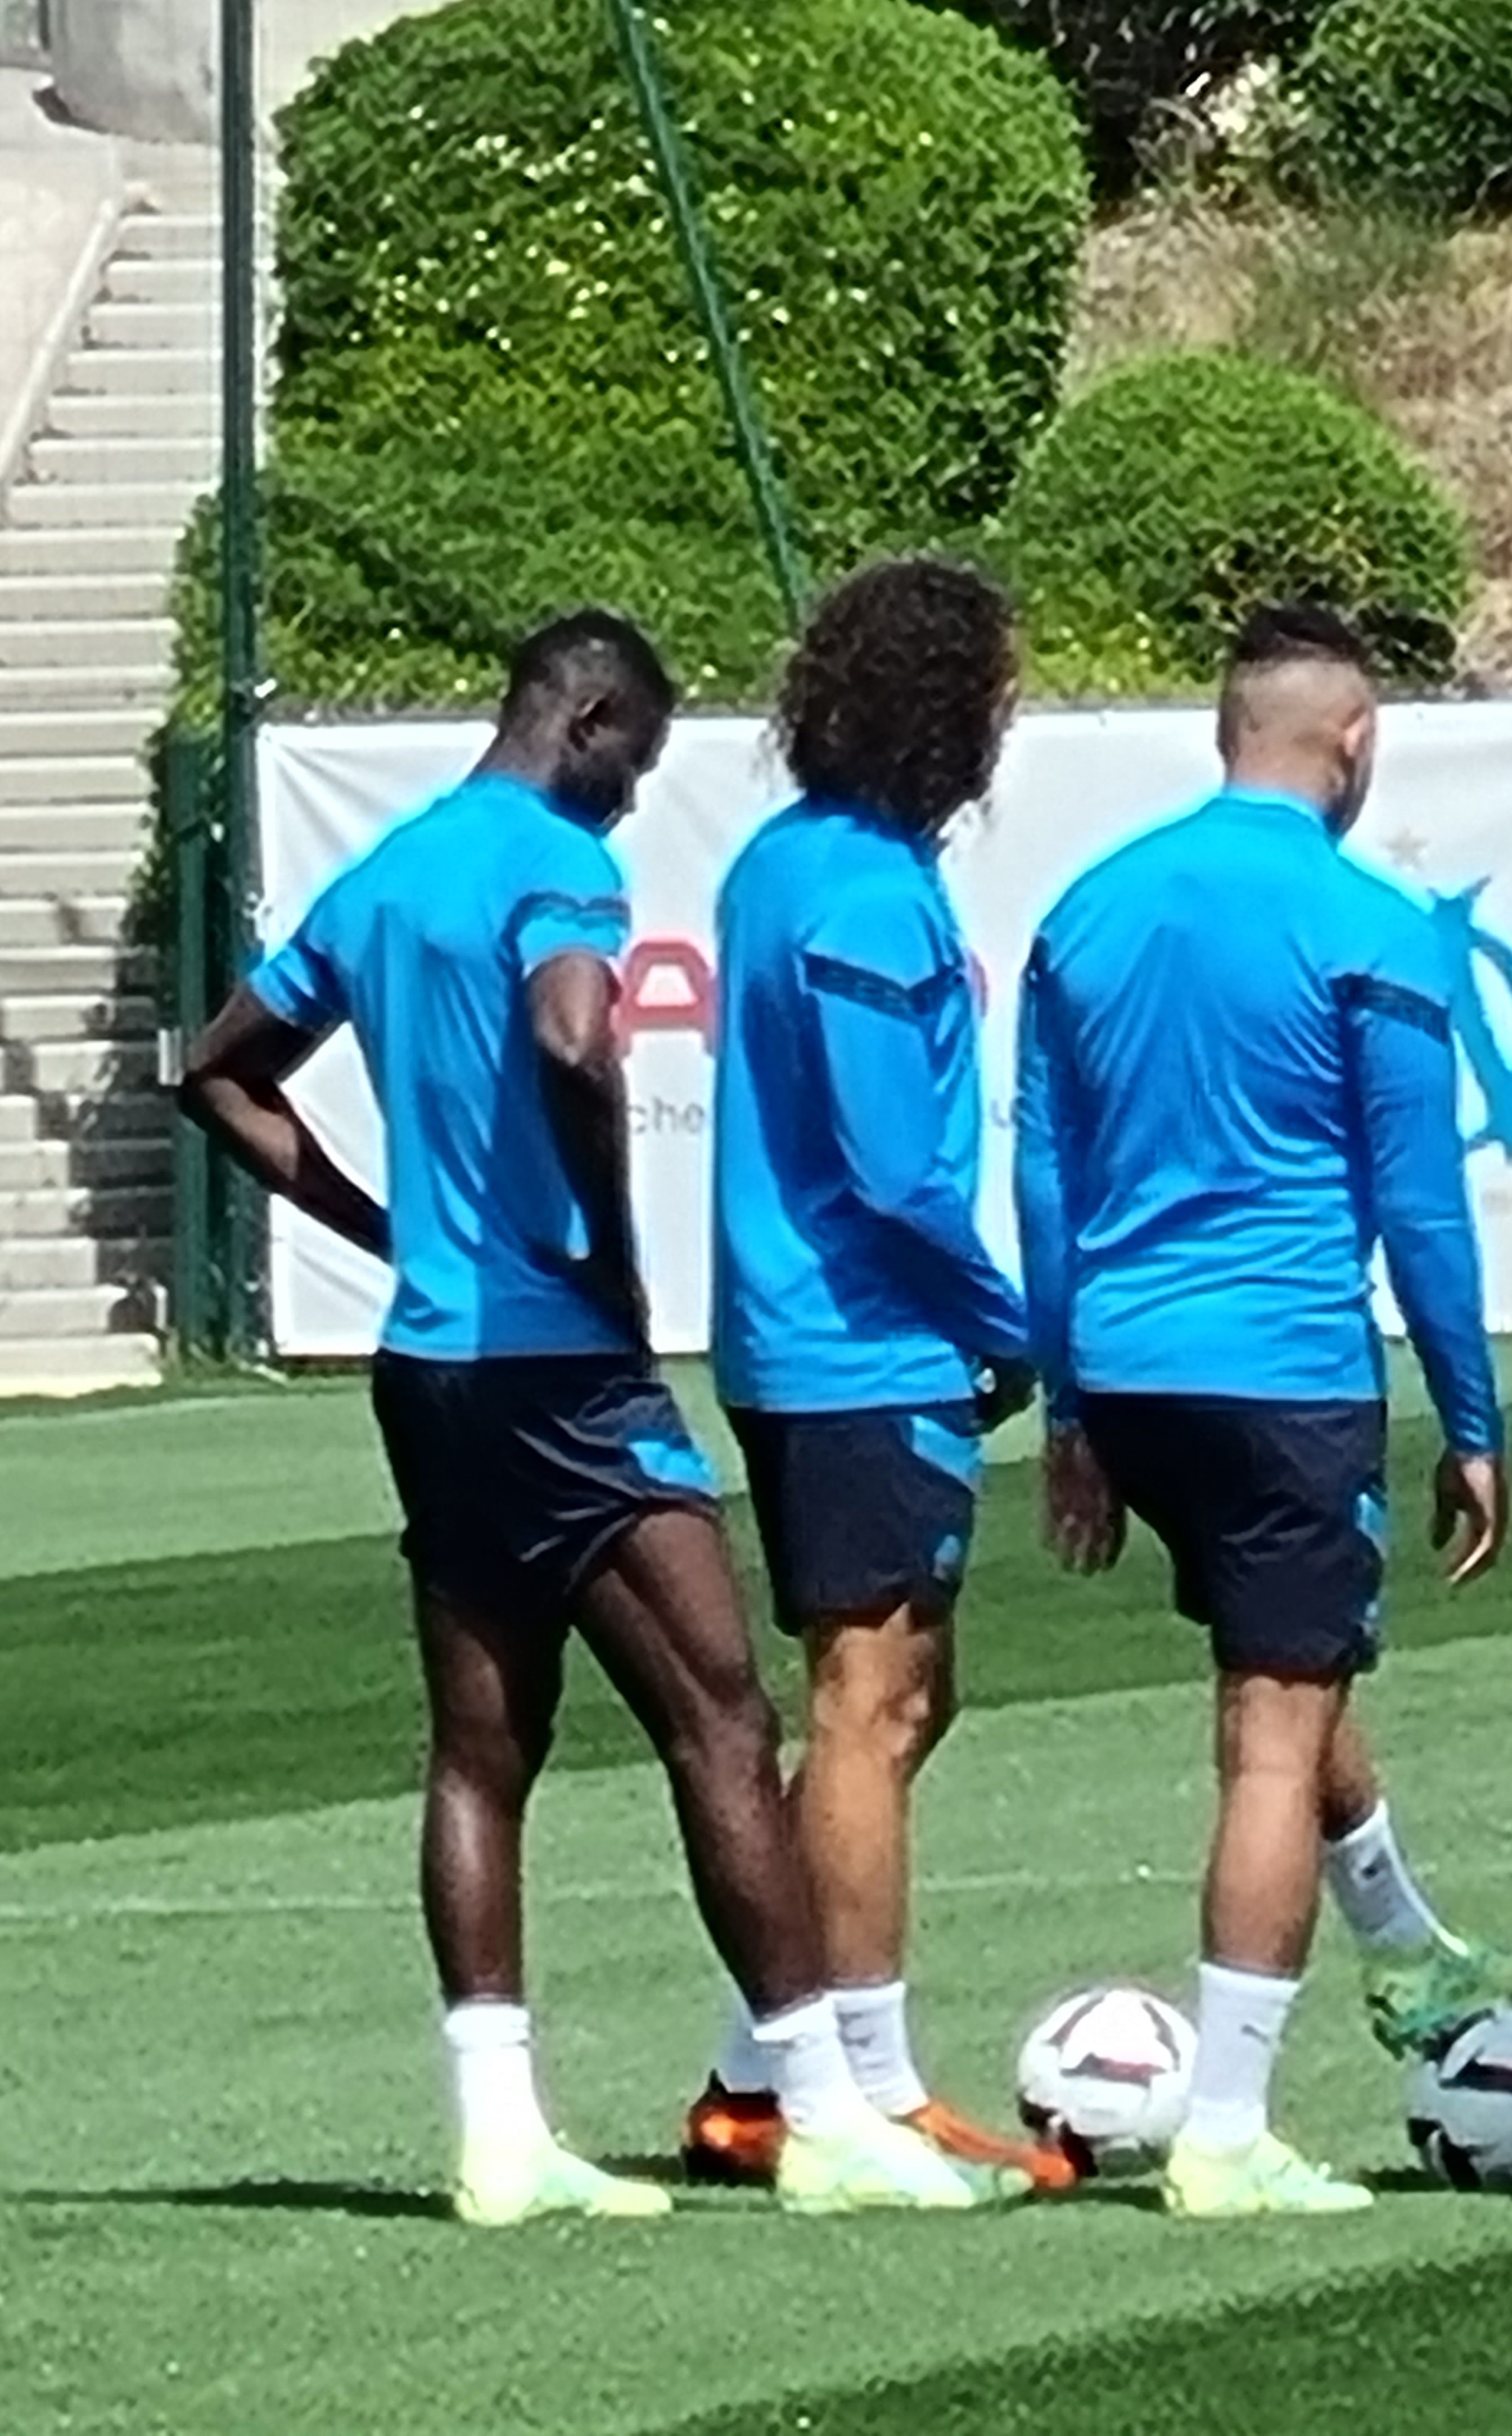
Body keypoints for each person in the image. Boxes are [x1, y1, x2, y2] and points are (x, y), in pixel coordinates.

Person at [176, 612, 1002, 2223]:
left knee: (481, 1753)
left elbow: (218, 1073)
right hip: (561, 1366)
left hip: (430, 1365)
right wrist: (607, 1254)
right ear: (592, 717)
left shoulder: (387, 873)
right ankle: (819, 2112)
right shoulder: (558, 864)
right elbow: (571, 1033)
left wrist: (384, 1231)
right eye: (636, 762)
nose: (632, 802)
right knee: (725, 1722)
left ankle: (500, 2136)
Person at [1015, 603, 1512, 2219]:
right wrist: (1472, 1417)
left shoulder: (1088, 910)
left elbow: (1043, 1178)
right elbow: (1421, 1206)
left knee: (1286, 1670)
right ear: (1355, 741)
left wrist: (1068, 1406)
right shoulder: (1369, 926)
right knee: (1270, 1731)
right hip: (1282, 1371)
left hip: (1132, 1369)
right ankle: (1228, 2129)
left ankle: (1403, 1941)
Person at [675, 558, 1065, 2194]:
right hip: (862, 1341)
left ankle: (752, 2068)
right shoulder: (867, 896)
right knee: (871, 1704)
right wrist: (1009, 1322)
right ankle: (868, 2084)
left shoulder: (782, 863)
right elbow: (896, 1168)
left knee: (901, 1699)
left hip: (797, 1336)